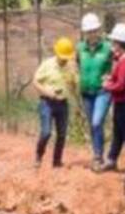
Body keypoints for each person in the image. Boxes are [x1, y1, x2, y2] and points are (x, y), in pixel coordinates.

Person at [98, 22, 125, 180]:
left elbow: (121, 85)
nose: (111, 44)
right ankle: (111, 159)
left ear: (118, 43)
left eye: (113, 41)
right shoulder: (123, 58)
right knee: (118, 133)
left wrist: (107, 85)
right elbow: (122, 79)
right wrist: (111, 78)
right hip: (123, 101)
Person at [32, 37, 78, 168]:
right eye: (62, 56)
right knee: (46, 132)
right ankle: (38, 156)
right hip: (47, 102)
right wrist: (47, 92)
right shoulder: (47, 64)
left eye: (66, 57)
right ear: (57, 53)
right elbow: (35, 81)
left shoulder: (70, 67)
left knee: (62, 134)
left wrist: (76, 102)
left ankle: (57, 162)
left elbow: (74, 85)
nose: (64, 59)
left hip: (63, 103)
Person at [76, 12, 113, 168]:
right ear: (84, 32)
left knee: (97, 122)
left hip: (102, 92)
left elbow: (116, 65)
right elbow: (77, 65)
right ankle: (97, 155)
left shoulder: (108, 48)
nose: (92, 34)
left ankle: (98, 156)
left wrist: (110, 77)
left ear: (99, 30)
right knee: (93, 124)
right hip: (86, 92)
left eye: (94, 30)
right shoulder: (80, 48)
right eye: (88, 31)